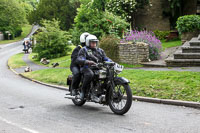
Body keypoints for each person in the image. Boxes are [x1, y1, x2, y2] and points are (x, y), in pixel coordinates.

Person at [77, 35, 112, 100]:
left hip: (97, 67)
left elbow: (105, 58)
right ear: (88, 42)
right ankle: (83, 91)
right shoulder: (83, 50)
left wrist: (111, 62)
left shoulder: (100, 50)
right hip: (86, 67)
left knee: (108, 74)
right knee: (90, 74)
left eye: (95, 42)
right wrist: (87, 61)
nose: (94, 44)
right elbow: (79, 59)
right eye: (92, 42)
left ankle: (102, 90)